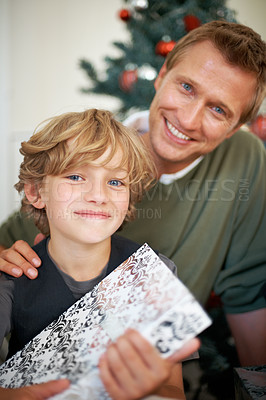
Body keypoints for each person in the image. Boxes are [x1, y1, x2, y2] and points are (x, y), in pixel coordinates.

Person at [0, 21, 265, 369]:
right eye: (186, 87)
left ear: (236, 127)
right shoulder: (88, 153)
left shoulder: (244, 159)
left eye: (219, 110)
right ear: (162, 74)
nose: (188, 119)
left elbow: (249, 293)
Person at [0, 108, 200, 400]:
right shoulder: (10, 280)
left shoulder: (155, 274)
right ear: (35, 191)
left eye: (116, 182)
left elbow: (173, 391)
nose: (98, 195)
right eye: (76, 176)